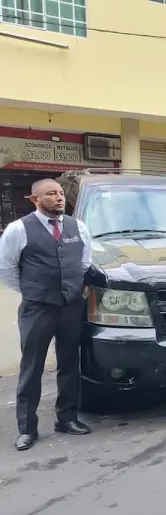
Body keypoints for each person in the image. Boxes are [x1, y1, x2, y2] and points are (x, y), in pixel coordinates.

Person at [0, 179, 93, 451]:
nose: (59, 198)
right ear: (35, 199)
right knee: (32, 368)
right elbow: (6, 268)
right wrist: (32, 291)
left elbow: (85, 261)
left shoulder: (79, 227)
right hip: (37, 308)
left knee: (69, 364)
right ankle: (27, 429)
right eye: (51, 193)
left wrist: (73, 289)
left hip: (71, 307)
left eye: (61, 193)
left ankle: (67, 418)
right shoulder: (19, 229)